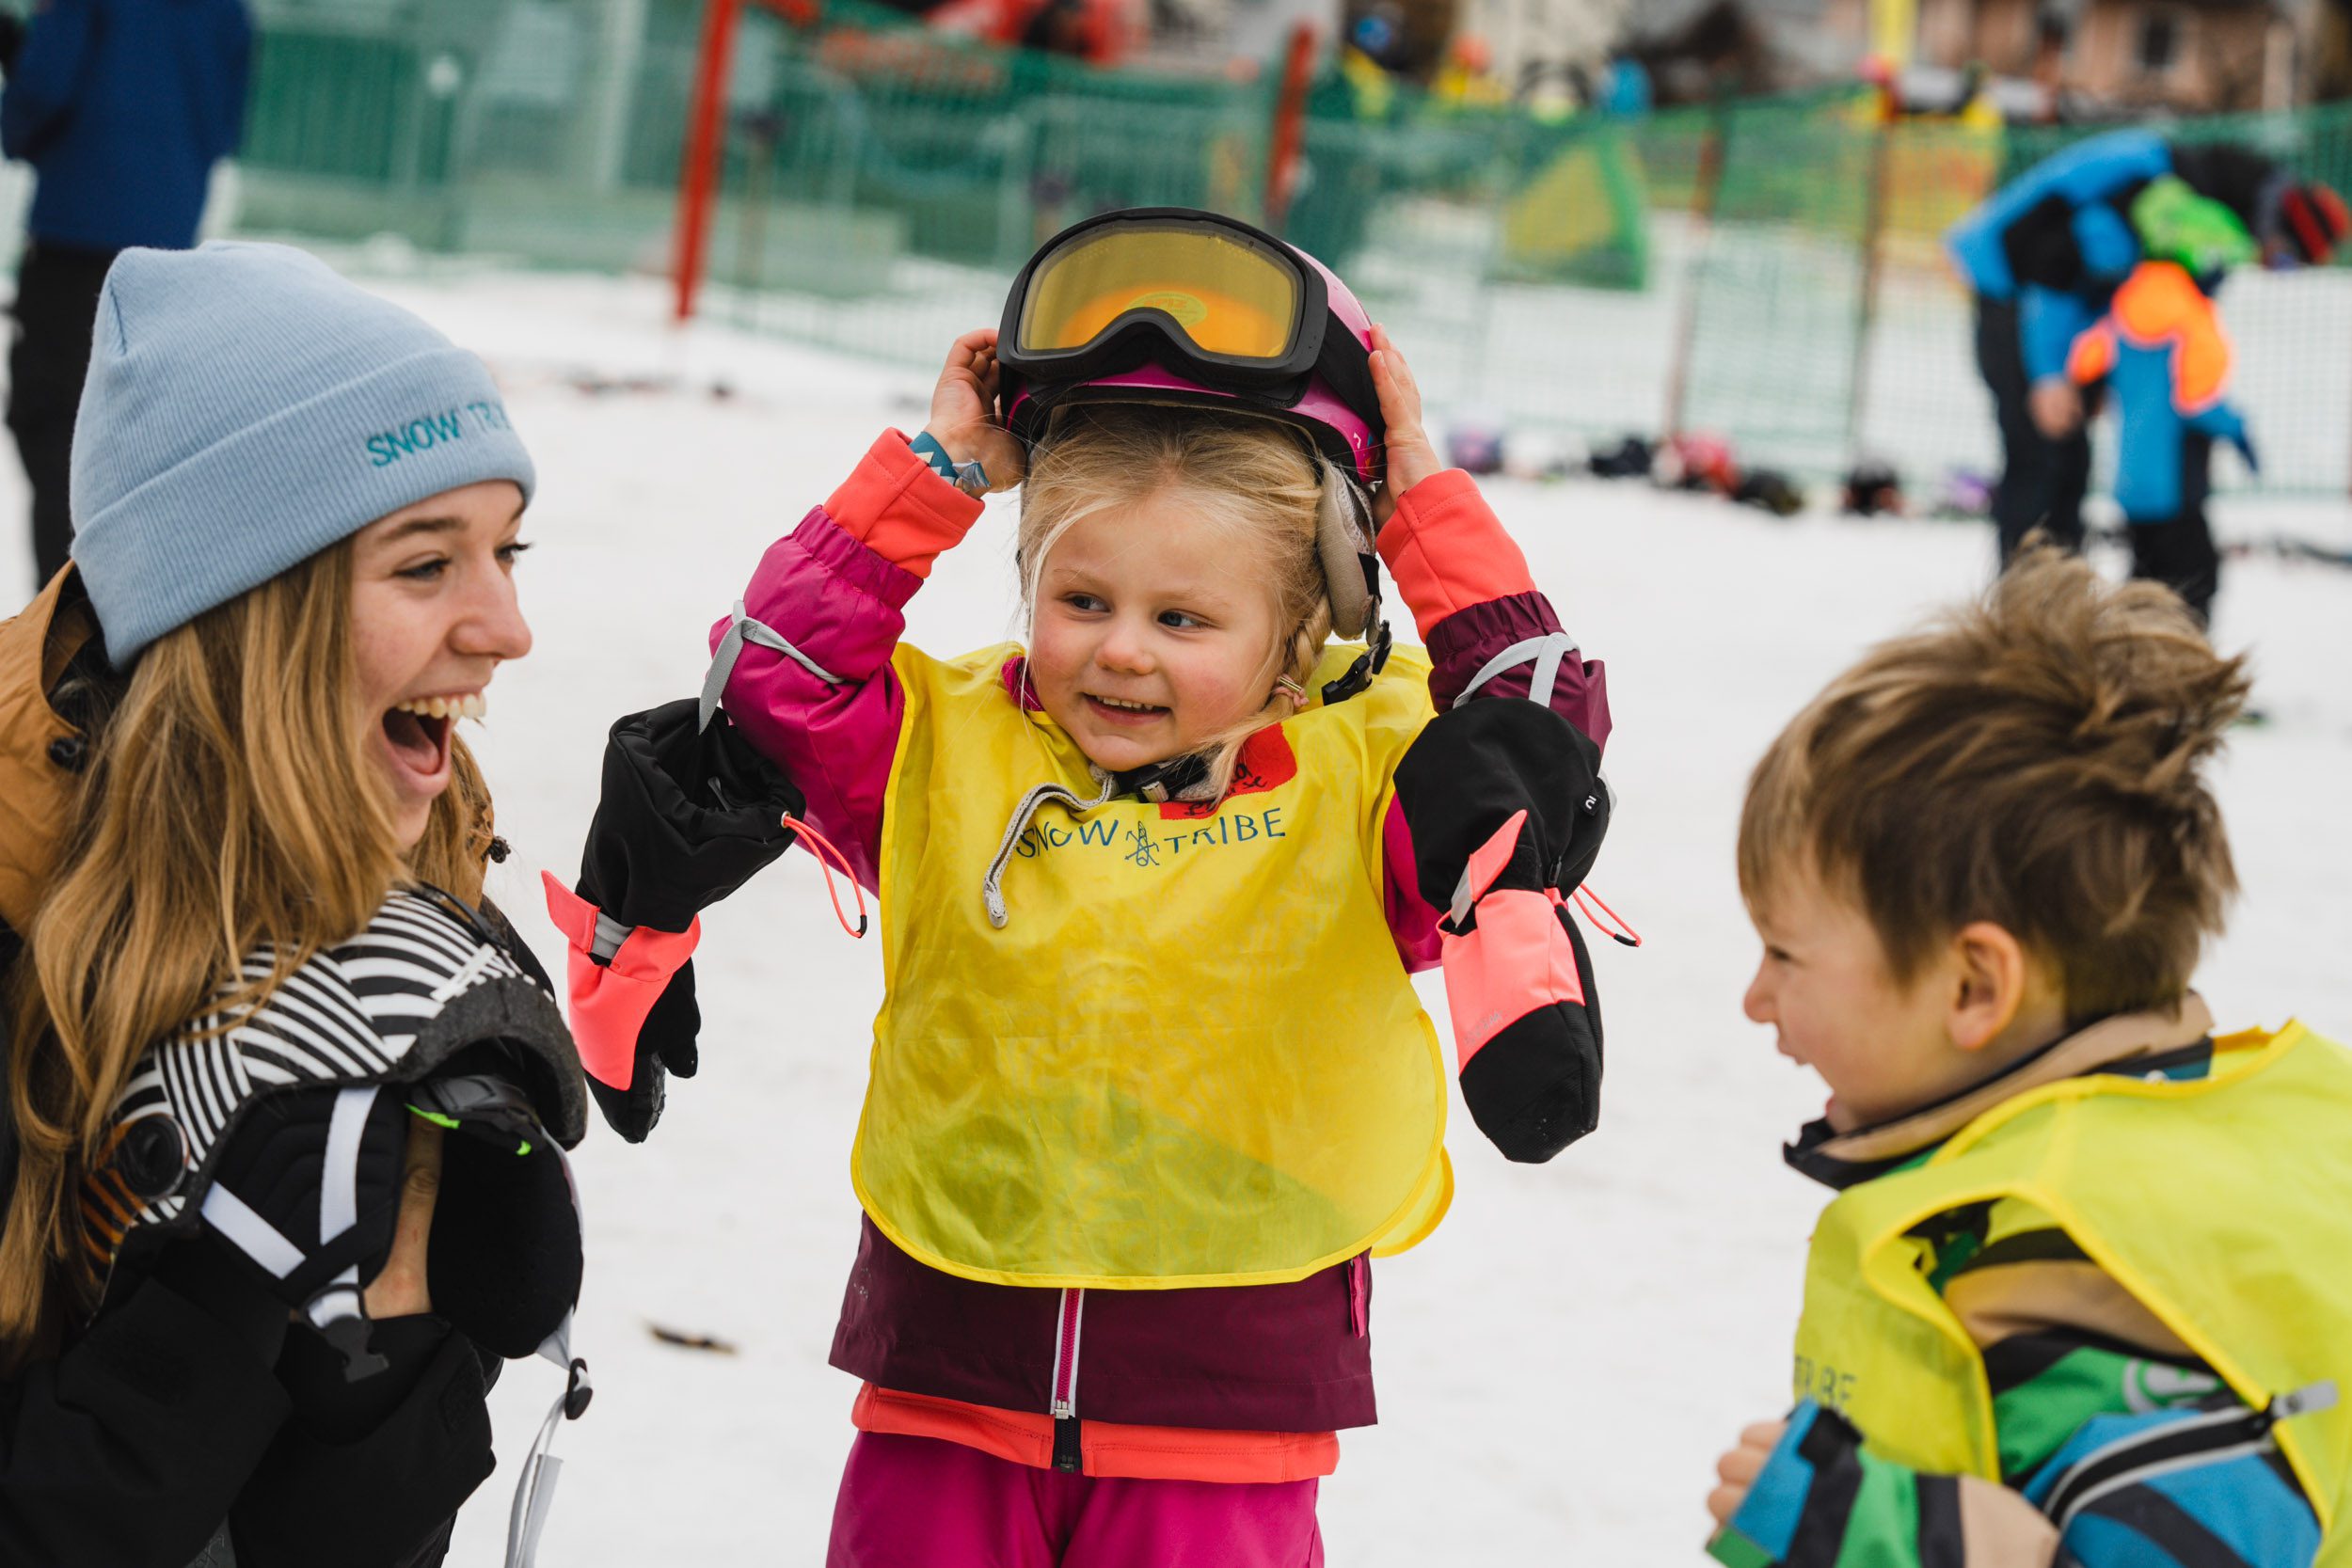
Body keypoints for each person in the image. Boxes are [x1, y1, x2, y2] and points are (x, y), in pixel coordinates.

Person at [548, 207, 1618, 1561]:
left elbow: (1538, 732)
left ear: (1302, 623)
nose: (1121, 652)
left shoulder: (1366, 780)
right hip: (944, 1373)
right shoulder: (949, 750)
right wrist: (931, 471)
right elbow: (772, 683)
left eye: (1184, 618)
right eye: (1082, 598)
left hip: (1223, 1408)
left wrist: (1418, 514)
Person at [0, 241, 587, 1568]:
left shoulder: (403, 895)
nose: (507, 625)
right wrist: (209, 1311)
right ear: (246, 612)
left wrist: (386, 1347)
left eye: (508, 550)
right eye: (427, 564)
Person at [1704, 546, 2352, 1566]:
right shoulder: (2137, 1169)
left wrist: (1878, 1534)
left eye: (1785, 952)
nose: (1755, 999)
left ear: (1974, 987)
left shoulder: (2072, 1265)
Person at [1945, 129, 2345, 567]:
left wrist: (2093, 375)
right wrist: (2049, 375)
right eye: (2283, 260)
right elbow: (2055, 264)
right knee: (2038, 458)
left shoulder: (2210, 209)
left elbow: (2127, 297)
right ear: (2276, 228)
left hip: (2055, 310)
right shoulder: (2157, 190)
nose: (2270, 270)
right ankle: (2025, 613)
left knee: (2068, 460)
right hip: (2012, 286)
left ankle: (2057, 607)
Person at [0, 0, 253, 590]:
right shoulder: (229, 11)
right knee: (134, 440)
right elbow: (222, 127)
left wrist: (21, 73)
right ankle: (132, 610)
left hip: (75, 234)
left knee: (56, 424)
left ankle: (69, 632)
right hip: (166, 250)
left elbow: (43, 97)